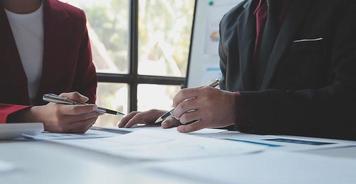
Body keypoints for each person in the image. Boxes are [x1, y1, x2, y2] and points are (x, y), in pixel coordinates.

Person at [119, 0, 356, 140]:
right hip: (248, 172)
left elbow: (348, 103)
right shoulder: (231, 22)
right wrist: (184, 114)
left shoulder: (343, 8)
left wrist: (236, 107)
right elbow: (241, 110)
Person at [0, 0, 99, 133]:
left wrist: (78, 113)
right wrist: (33, 117)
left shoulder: (74, 18)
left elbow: (85, 89)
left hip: (59, 145)